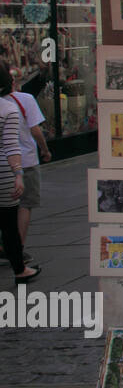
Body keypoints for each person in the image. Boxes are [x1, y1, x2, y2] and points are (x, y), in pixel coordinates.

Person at [5, 67, 50, 255]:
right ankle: (18, 248)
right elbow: (35, 130)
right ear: (12, 82)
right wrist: (45, 150)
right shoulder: (25, 99)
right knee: (25, 204)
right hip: (26, 160)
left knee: (6, 207)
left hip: (4, 161)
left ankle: (5, 244)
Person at [0, 68, 33, 281]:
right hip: (2, 174)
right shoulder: (8, 109)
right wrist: (18, 175)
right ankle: (20, 269)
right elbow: (11, 146)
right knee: (8, 224)